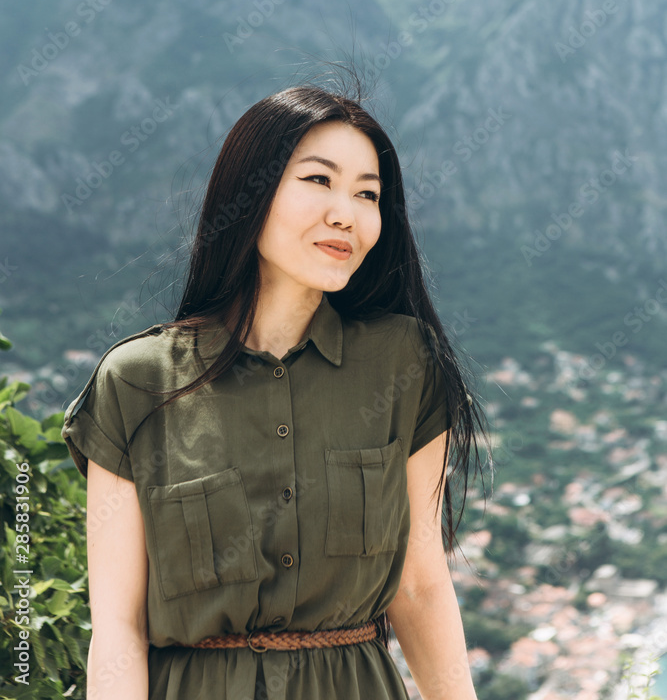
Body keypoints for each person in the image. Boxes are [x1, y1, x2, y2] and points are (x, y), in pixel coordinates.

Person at [61, 82, 489, 700]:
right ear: (250, 192)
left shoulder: (404, 363)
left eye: (367, 194)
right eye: (319, 180)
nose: (346, 212)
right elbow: (119, 630)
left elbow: (420, 586)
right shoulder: (138, 381)